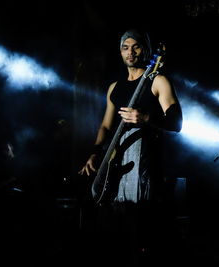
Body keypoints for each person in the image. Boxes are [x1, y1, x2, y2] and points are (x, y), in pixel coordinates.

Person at [78, 28, 183, 266]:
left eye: (135, 46)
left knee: (141, 226)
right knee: (113, 225)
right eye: (125, 47)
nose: (130, 52)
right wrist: (94, 152)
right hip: (116, 161)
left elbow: (177, 123)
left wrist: (145, 119)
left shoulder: (158, 80)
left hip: (146, 163)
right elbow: (105, 126)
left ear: (144, 49)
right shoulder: (115, 88)